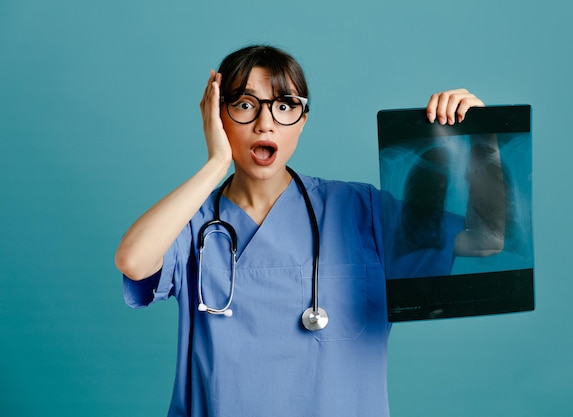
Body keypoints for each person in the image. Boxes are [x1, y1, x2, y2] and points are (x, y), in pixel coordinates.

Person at [115, 45, 489, 417]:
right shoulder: (193, 224)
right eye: (245, 105)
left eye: (285, 105)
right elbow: (133, 261)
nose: (265, 123)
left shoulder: (361, 210)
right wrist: (216, 163)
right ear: (218, 116)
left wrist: (486, 139)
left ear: (303, 119)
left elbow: (486, 240)